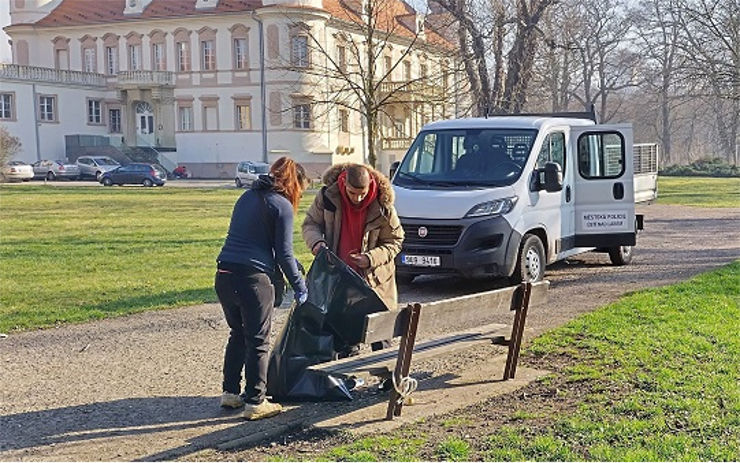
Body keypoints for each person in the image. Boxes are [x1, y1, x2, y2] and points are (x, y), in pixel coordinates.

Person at [215, 156, 309, 420]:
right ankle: (256, 401)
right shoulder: (281, 205)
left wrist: (289, 262)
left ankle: (231, 393)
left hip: (224, 273)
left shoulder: (246, 197)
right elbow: (284, 254)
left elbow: (252, 239)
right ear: (294, 183)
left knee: (238, 334)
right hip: (253, 280)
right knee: (258, 340)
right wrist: (300, 287)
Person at [302, 163, 404, 353]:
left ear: (370, 185)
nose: (357, 198)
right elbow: (310, 224)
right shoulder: (327, 196)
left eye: (362, 194)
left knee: (382, 341)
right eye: (352, 193)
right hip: (341, 282)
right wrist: (317, 243)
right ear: (343, 184)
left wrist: (370, 258)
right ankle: (348, 381)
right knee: (346, 342)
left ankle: (388, 382)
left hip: (375, 283)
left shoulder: (383, 204)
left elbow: (395, 241)